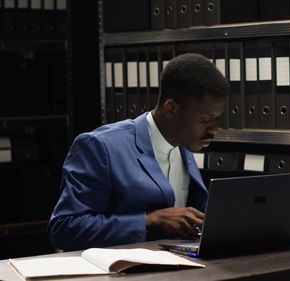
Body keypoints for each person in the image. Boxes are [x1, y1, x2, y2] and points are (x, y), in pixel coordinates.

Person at [48, 53, 229, 251]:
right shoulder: (100, 146)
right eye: (205, 119)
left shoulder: (184, 144)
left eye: (216, 118)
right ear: (171, 109)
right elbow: (64, 228)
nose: (214, 129)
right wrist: (151, 219)